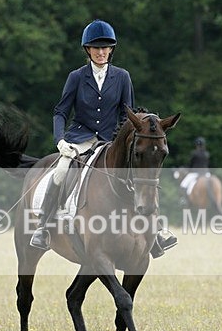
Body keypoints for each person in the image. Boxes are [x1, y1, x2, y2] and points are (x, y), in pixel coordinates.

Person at [30, 19, 177, 257]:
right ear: (88, 50)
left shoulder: (122, 77)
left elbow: (128, 115)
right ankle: (43, 227)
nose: (101, 52)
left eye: (105, 48)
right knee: (61, 170)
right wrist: (60, 141)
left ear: (111, 49)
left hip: (111, 140)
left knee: (140, 173)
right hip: (80, 138)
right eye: (96, 48)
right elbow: (60, 112)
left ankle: (155, 231)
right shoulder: (77, 77)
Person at [179, 137, 212, 205]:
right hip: (206, 174)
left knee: (183, 185)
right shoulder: (207, 154)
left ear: (197, 145)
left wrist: (187, 169)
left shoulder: (194, 153)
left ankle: (183, 200)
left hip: (195, 173)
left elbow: (191, 165)